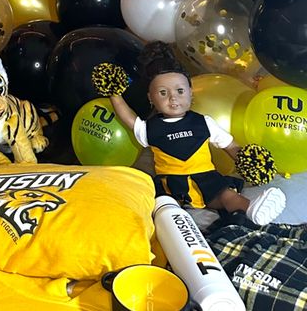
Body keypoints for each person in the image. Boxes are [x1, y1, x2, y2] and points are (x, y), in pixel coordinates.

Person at [106, 41, 286, 226]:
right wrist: (114, 93)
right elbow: (129, 118)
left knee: (227, 195)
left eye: (180, 90)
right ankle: (176, 228)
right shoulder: (148, 128)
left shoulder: (204, 122)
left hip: (206, 178)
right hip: (171, 183)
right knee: (164, 206)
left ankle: (251, 209)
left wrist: (249, 161)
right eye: (162, 92)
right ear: (150, 98)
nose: (173, 97)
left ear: (191, 94)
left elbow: (229, 145)